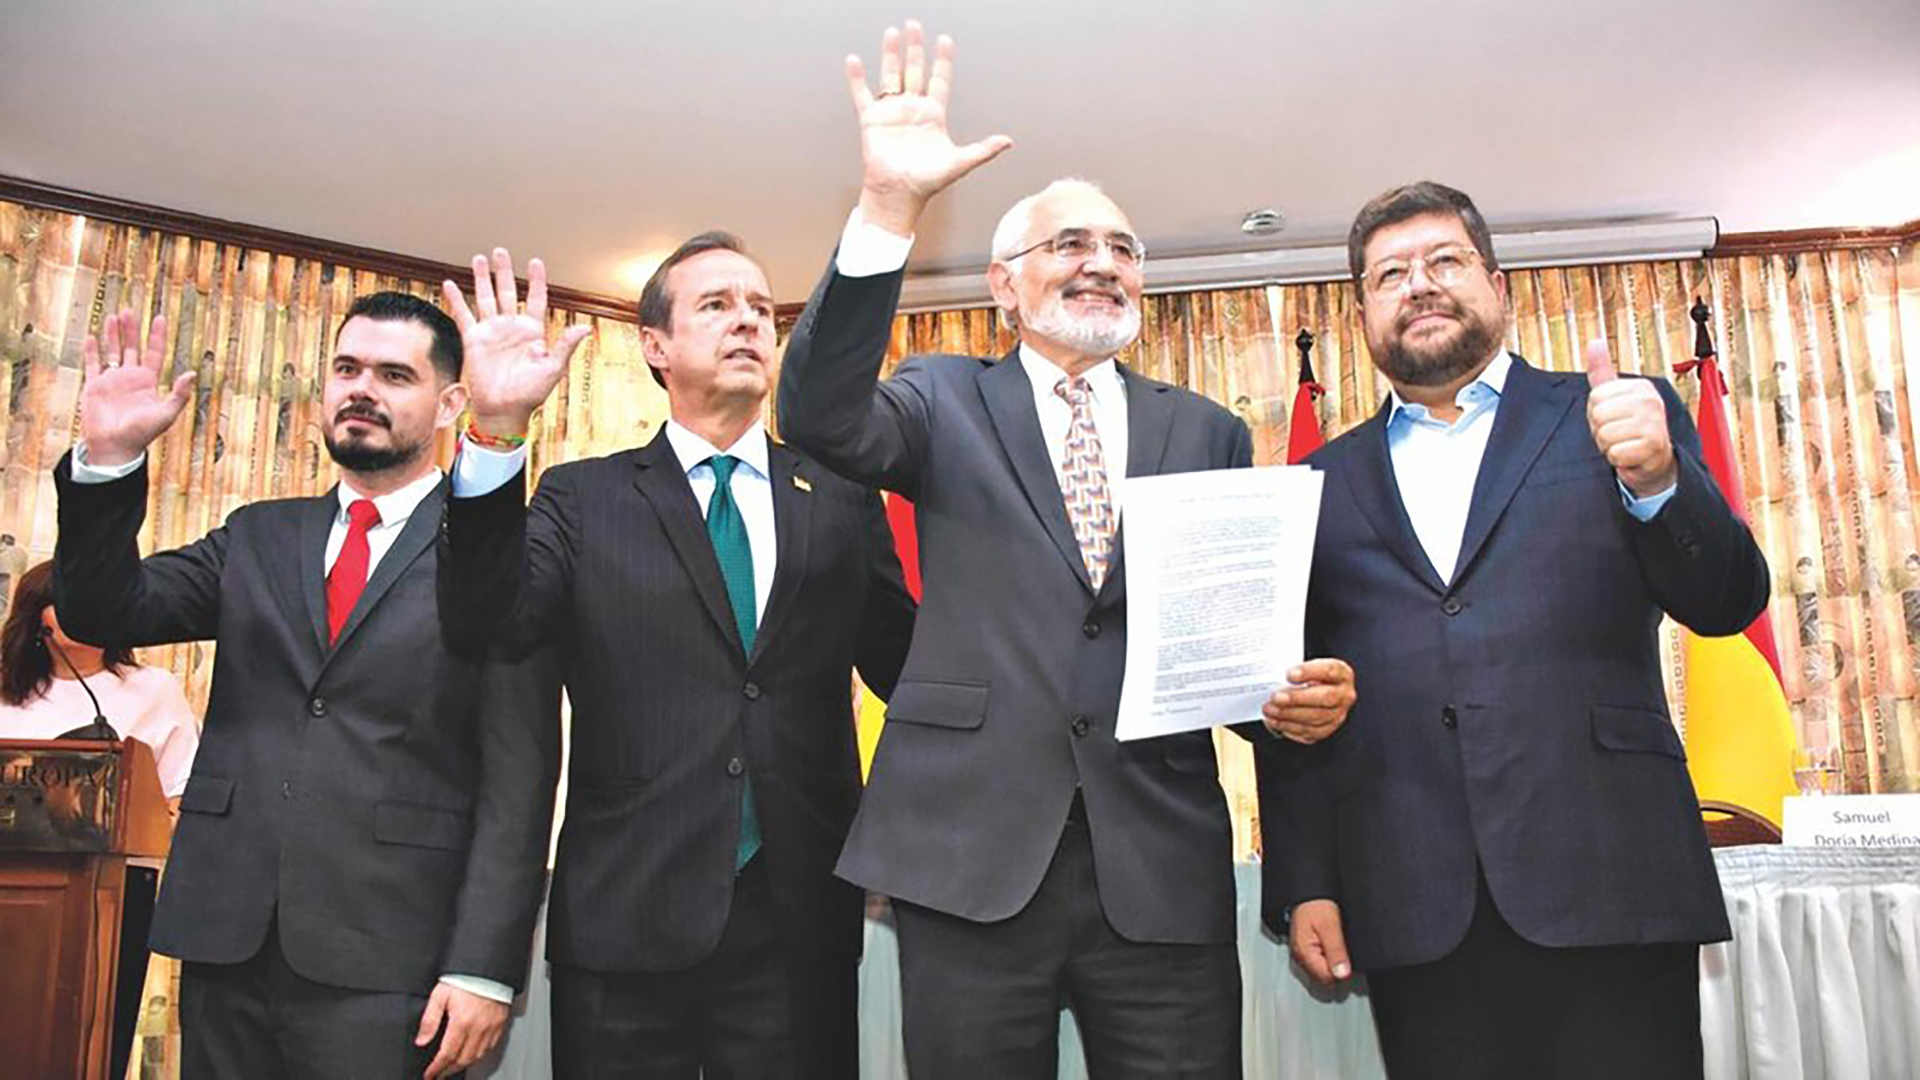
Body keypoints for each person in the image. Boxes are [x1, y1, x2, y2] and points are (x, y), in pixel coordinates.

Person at [775, 22, 1357, 1079]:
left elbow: (1218, 645)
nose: (1102, 263)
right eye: (1070, 245)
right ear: (1005, 285)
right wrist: (886, 213)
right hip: (970, 857)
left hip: (1161, 858)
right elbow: (818, 417)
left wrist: (1278, 698)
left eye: (1124, 249)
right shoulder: (940, 396)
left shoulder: (1207, 429)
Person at [1262, 181, 1770, 1080]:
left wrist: (1656, 479)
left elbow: (1728, 601)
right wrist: (1305, 877)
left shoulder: (1615, 416)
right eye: (1389, 274)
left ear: (1499, 285)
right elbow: (1302, 699)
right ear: (1363, 313)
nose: (1418, 284)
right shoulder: (1316, 482)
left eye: (1444, 260)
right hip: (1416, 898)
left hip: (1610, 873)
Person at [439, 235, 915, 1078]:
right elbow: (488, 621)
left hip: (799, 918)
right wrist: (499, 431)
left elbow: (909, 670)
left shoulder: (839, 497)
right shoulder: (583, 498)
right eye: (716, 305)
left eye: (761, 310)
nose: (747, 323)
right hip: (627, 916)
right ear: (655, 346)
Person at [53, 297, 559, 1080]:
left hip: (393, 951)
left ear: (451, 401)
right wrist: (108, 460)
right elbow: (100, 608)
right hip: (228, 935)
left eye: (395, 375)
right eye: (348, 368)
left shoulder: (494, 560)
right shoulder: (259, 534)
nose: (363, 389)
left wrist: (483, 967)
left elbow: (518, 778)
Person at [0, 558, 199, 800]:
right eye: (67, 603)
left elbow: (181, 790)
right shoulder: (7, 690)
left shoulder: (156, 688)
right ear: (35, 621)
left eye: (94, 604)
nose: (82, 615)